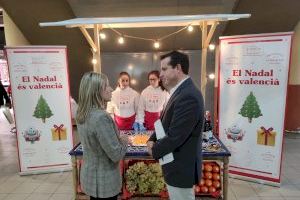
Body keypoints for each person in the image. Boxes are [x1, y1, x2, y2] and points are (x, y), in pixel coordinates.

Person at [147, 51, 204, 200]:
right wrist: (152, 138)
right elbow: (165, 121)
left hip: (181, 168)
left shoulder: (188, 95)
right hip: (174, 165)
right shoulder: (179, 91)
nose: (160, 74)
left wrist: (154, 151)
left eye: (164, 69)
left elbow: (175, 136)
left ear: (178, 68)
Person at [76, 72, 130, 200]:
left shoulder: (82, 112)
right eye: (106, 86)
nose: (111, 89)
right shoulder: (101, 117)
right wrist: (124, 141)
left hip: (90, 175)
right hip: (104, 181)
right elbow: (116, 155)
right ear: (96, 91)